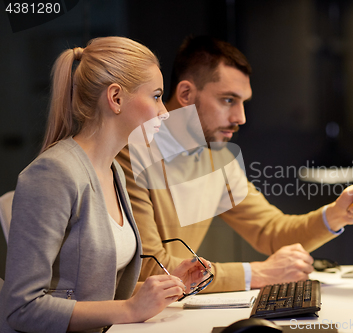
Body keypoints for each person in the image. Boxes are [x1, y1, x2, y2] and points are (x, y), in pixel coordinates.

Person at [116, 35, 353, 293]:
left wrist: (336, 215)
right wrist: (258, 273)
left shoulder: (217, 159)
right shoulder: (130, 155)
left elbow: (270, 232)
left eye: (243, 103)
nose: (240, 117)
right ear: (185, 93)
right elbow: (149, 267)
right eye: (228, 100)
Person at [0, 36, 210, 333]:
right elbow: (21, 308)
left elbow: (94, 291)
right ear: (116, 98)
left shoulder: (114, 171)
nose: (164, 111)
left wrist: (166, 286)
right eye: (156, 96)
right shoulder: (52, 173)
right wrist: (130, 308)